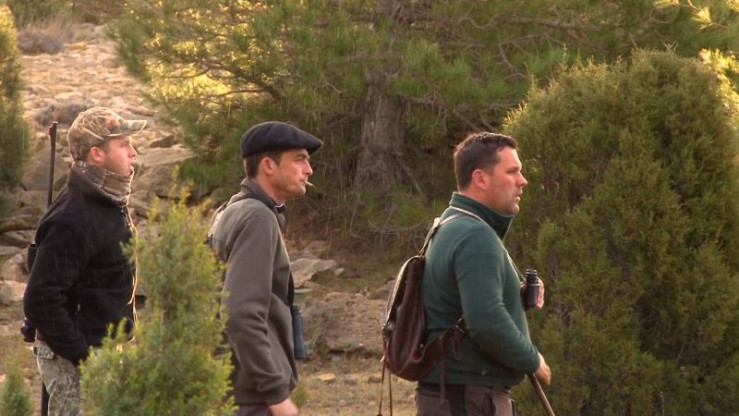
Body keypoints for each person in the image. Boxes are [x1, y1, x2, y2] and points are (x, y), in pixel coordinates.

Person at [416, 132, 551, 416]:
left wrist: (514, 295)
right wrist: (533, 360)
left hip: (454, 397)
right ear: (480, 179)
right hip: (469, 401)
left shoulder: (449, 224)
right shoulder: (475, 235)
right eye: (512, 171)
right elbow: (485, 320)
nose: (522, 180)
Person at [23, 106, 144, 416]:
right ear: (97, 154)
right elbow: (40, 299)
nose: (133, 153)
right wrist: (83, 356)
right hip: (77, 362)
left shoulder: (108, 203)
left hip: (102, 352)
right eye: (124, 145)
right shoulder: (72, 218)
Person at [209, 121, 322, 416]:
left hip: (234, 388)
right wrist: (276, 394)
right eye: (299, 159)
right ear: (268, 166)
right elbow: (241, 312)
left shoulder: (233, 209)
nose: (308, 170)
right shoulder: (257, 218)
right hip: (253, 397)